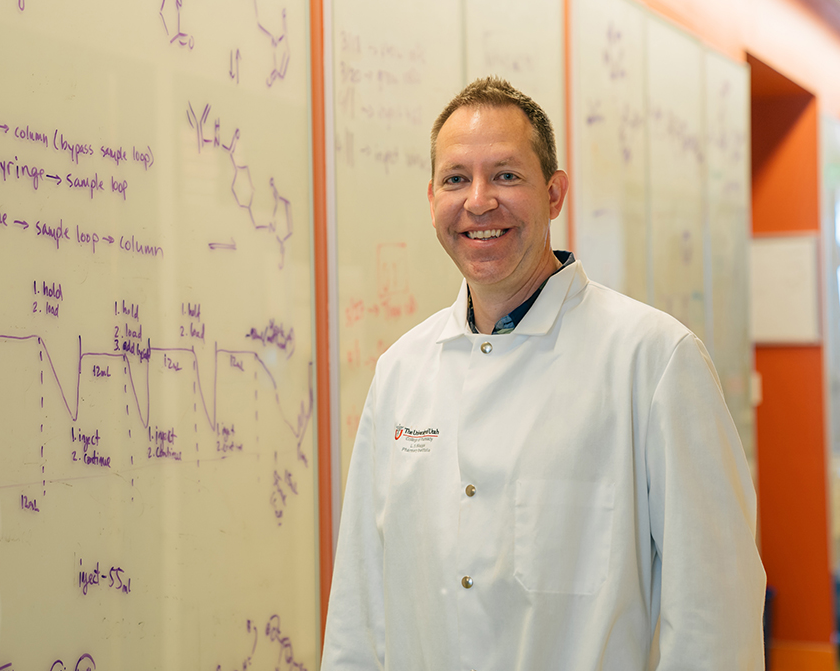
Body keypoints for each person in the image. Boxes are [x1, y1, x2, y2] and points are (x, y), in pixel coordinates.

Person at [322, 77, 766, 669]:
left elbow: (716, 615)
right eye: (456, 178)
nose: (479, 201)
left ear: (555, 194)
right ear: (432, 198)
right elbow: (359, 605)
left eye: (506, 175)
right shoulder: (400, 371)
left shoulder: (654, 360)